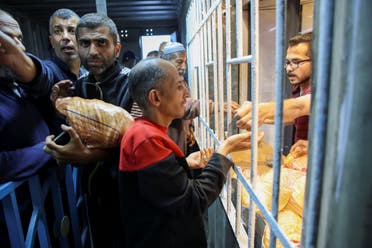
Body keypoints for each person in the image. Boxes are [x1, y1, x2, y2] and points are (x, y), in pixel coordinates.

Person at [118, 58, 264, 248]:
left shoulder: (146, 132)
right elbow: (192, 202)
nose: (186, 94)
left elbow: (158, 189)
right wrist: (224, 150)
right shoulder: (146, 139)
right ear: (155, 98)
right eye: (179, 87)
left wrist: (183, 164)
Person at [43, 13, 132, 247]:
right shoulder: (80, 85)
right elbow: (82, 133)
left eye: (101, 43)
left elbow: (138, 143)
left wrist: (88, 156)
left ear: (117, 48)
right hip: (93, 189)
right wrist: (61, 109)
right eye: (85, 43)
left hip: (129, 191)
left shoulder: (134, 83)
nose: (92, 51)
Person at [234, 33, 312, 152]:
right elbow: (295, 116)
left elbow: (300, 106)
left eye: (296, 62)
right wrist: (258, 116)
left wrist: (262, 110)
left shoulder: (324, 89)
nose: (289, 68)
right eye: (287, 62)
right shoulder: (298, 87)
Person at [161, 42, 201, 156]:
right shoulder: (163, 82)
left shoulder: (182, 81)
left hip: (182, 137)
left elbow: (187, 103)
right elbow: (182, 105)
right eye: (179, 62)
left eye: (185, 62)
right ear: (166, 61)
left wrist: (190, 128)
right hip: (170, 137)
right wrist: (211, 106)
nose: (183, 66)